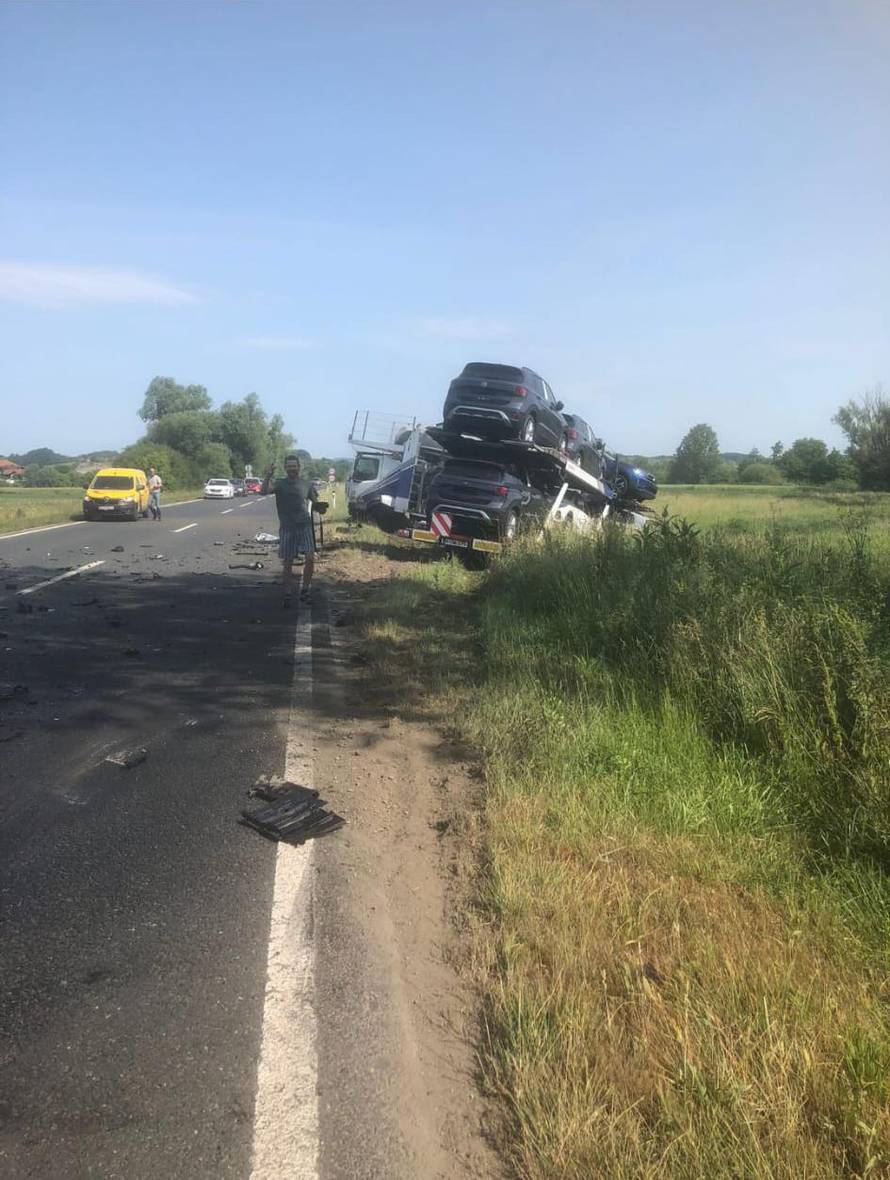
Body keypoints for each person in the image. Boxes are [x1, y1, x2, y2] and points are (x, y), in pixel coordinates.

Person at [261, 455, 326, 607]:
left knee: (310, 558)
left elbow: (315, 503)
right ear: (285, 468)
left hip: (305, 526)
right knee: (288, 562)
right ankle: (287, 593)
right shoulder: (280, 484)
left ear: (298, 467)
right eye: (289, 466)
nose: (292, 469)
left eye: (294, 466)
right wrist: (268, 475)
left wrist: (321, 507)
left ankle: (305, 590)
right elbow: (263, 492)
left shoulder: (306, 484)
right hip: (287, 527)